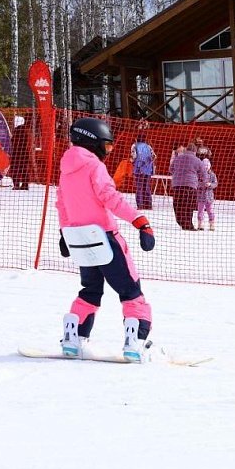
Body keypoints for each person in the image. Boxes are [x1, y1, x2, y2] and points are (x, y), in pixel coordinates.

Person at [56, 117, 156, 362]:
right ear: (93, 142)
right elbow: (111, 198)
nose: (108, 152)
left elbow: (62, 204)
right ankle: (136, 341)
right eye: (107, 146)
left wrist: (64, 233)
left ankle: (74, 338)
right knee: (131, 291)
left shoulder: (66, 171)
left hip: (80, 239)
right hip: (105, 238)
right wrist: (139, 220)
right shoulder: (94, 167)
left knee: (90, 290)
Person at [168, 142, 205, 230]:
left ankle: (180, 220)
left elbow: (171, 169)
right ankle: (188, 224)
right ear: (195, 151)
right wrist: (201, 181)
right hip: (190, 185)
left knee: (178, 203)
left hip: (177, 184)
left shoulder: (178, 158)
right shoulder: (197, 160)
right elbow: (203, 174)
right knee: (188, 205)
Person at [130, 132, 156, 209]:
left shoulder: (135, 145)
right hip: (148, 170)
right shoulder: (148, 146)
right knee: (147, 187)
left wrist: (132, 161)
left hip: (139, 169)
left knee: (139, 187)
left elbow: (134, 156)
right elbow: (154, 156)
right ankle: (148, 205)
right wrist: (147, 163)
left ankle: (140, 205)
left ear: (137, 139)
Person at [9, 115, 35, 190]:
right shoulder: (27, 131)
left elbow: (14, 141)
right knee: (24, 169)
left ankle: (16, 184)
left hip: (17, 152)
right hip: (25, 153)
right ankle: (25, 184)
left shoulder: (18, 130)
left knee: (15, 169)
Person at [196, 157, 218, 231]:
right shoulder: (199, 174)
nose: (206, 168)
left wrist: (210, 185)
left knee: (210, 211)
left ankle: (212, 223)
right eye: (204, 166)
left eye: (207, 166)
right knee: (200, 211)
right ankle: (200, 224)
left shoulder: (212, 175)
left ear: (209, 166)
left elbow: (215, 184)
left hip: (209, 197)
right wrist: (202, 184)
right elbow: (196, 183)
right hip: (201, 196)